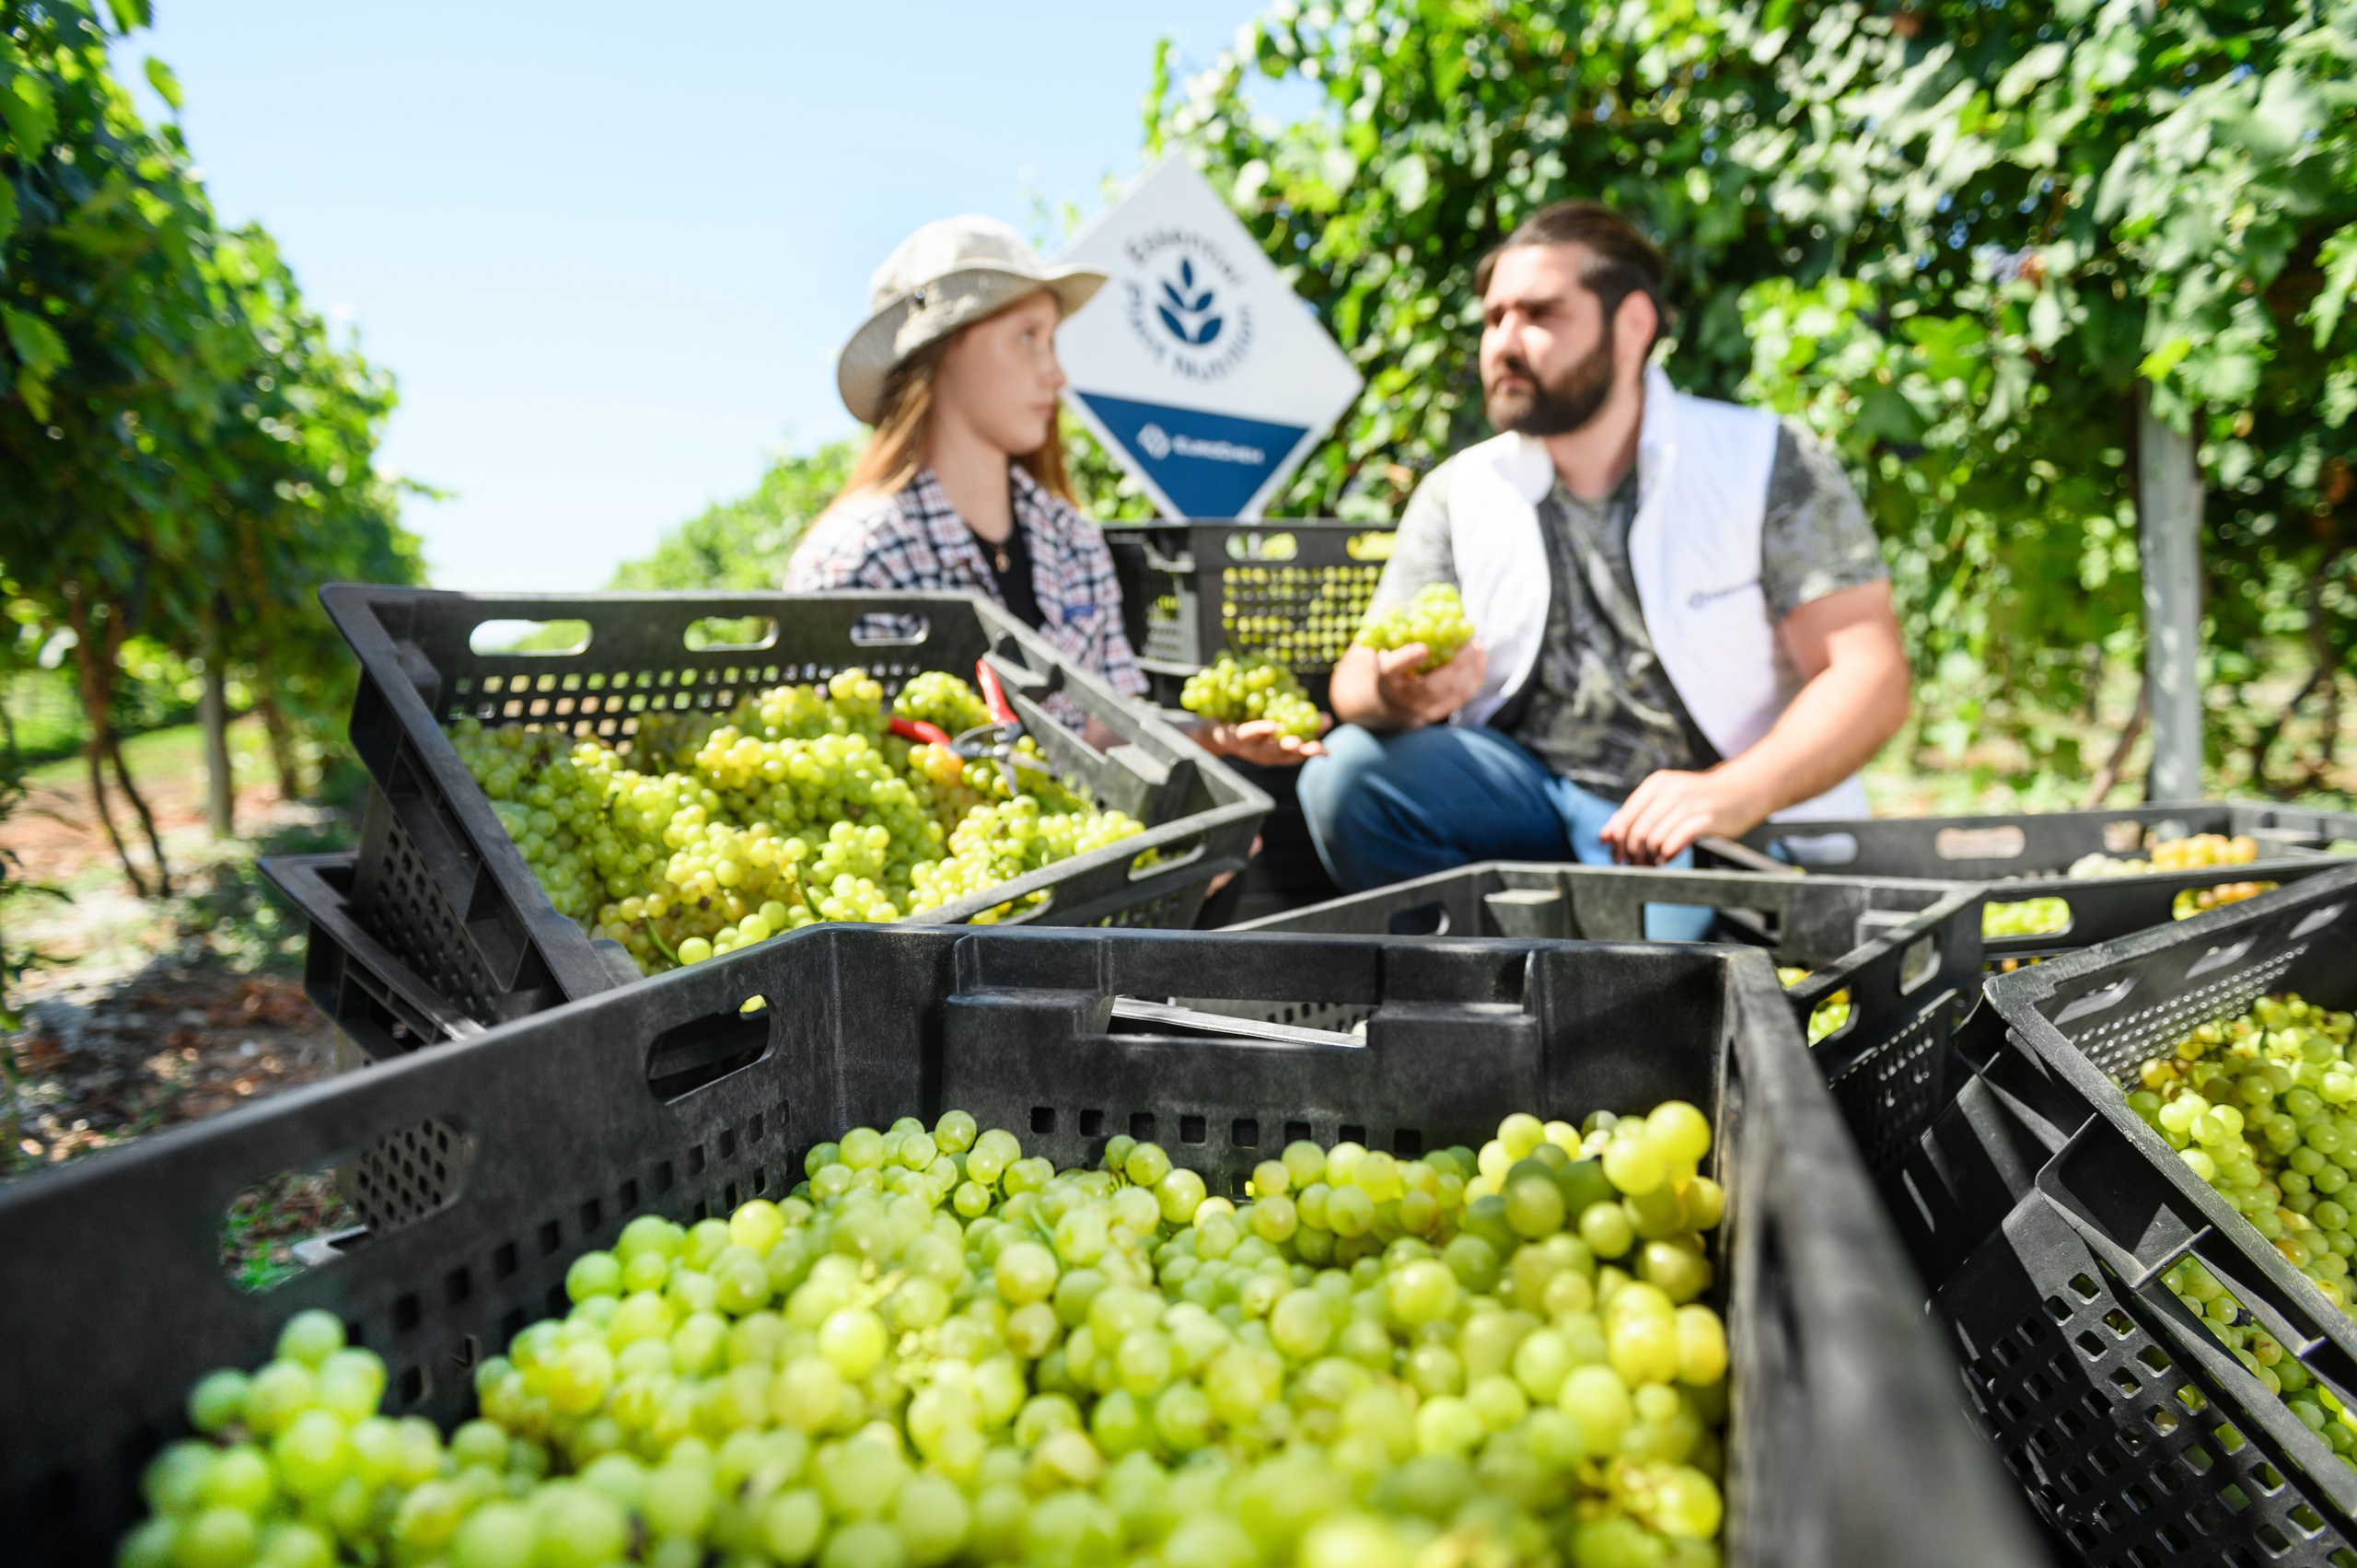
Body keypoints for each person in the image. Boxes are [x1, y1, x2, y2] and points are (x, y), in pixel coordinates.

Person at [1298, 201, 1910, 936]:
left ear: (1632, 325)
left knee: (1640, 987)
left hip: (1715, 827)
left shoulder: (1763, 460)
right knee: (1347, 775)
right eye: (1493, 318)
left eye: (1539, 314)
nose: (1502, 342)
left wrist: (1731, 794)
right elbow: (1354, 679)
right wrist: (1395, 690)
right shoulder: (1462, 490)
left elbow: (1868, 677)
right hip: (1532, 799)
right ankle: (1478, 992)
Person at [787, 215, 1319, 767]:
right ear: (942, 353)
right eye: (1027, 338)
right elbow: (848, 769)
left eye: (1051, 340)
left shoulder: (1073, 541)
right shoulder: (858, 561)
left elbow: (1100, 729)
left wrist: (1210, 735)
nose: (1056, 373)